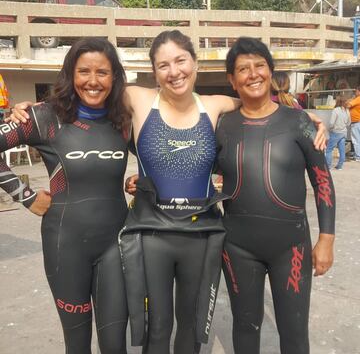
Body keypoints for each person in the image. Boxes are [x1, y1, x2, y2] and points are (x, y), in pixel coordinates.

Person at [9, 30, 327, 354]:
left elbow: (258, 104)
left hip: (201, 234)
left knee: (189, 327)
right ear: (154, 71)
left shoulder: (216, 105)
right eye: (163, 65)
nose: (174, 71)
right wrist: (32, 112)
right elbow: (87, 95)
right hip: (152, 235)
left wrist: (301, 117)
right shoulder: (136, 98)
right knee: (157, 327)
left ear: (195, 63)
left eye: (180, 61)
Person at [0, 37, 130, 354]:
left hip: (115, 245)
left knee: (115, 345)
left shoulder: (125, 119)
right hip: (65, 245)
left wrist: (146, 180)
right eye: (84, 71)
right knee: (78, 345)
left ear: (114, 77)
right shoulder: (44, 117)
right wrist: (25, 195)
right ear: (71, 74)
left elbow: (159, 154)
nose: (93, 81)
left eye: (103, 72)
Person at [217, 37, 335, 354]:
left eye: (259, 66)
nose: (252, 74)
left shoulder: (298, 122)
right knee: (244, 327)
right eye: (242, 69)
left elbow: (322, 181)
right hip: (237, 246)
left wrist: (326, 239)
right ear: (232, 79)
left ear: (270, 71)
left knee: (294, 333)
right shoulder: (222, 125)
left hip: (290, 247)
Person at [325, 95, 351, 170]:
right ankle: (339, 166)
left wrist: (330, 129)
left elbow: (331, 123)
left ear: (338, 102)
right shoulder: (347, 111)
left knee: (329, 149)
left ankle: (328, 166)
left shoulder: (336, 110)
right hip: (343, 132)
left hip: (336, 132)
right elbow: (349, 123)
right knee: (342, 150)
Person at [346, 86, 360, 161]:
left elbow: (348, 105)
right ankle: (357, 154)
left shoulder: (358, 99)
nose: (355, 92)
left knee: (356, 140)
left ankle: (358, 156)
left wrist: (350, 100)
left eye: (356, 91)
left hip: (356, 122)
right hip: (358, 121)